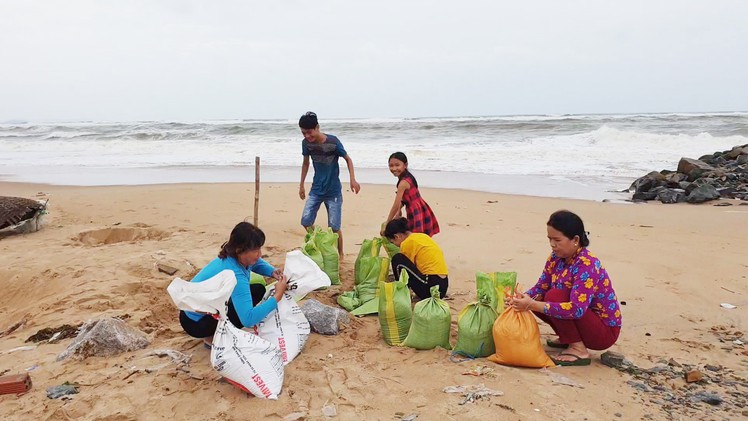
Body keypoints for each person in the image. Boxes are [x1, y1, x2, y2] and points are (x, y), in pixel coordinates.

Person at [506, 210, 622, 366]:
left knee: (553, 296)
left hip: (603, 331)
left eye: (557, 240)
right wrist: (520, 298)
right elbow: (541, 288)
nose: (552, 245)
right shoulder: (556, 258)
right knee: (537, 297)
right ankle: (568, 337)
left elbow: (577, 309)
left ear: (575, 240)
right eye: (549, 239)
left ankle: (578, 348)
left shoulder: (587, 264)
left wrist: (531, 305)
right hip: (583, 321)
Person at [179, 222, 288, 347]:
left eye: (259, 249)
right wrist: (278, 295)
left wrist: (272, 271)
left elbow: (256, 262)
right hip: (196, 323)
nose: (259, 254)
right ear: (239, 250)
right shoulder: (235, 275)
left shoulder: (232, 256)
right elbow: (248, 319)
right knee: (251, 301)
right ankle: (213, 336)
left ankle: (216, 329)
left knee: (257, 290)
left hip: (192, 312)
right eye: (255, 250)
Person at [298, 111, 360, 256]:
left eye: (309, 132)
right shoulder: (306, 144)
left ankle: (341, 254)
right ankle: (320, 242)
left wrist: (353, 179)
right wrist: (301, 185)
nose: (307, 136)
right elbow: (305, 163)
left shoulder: (333, 142)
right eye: (303, 133)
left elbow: (348, 159)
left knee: (334, 226)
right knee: (306, 221)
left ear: (317, 127)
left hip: (333, 192)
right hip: (316, 190)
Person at [383, 217, 448, 299]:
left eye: (393, 242)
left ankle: (401, 293)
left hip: (431, 286)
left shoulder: (407, 243)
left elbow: (405, 272)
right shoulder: (421, 236)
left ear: (397, 236)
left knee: (397, 259)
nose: (396, 245)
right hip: (443, 285)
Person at [383, 152, 440, 237]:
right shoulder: (408, 176)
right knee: (421, 236)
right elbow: (404, 199)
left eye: (397, 165)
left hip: (415, 211)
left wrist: (387, 223)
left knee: (416, 236)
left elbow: (396, 205)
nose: (394, 168)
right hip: (420, 207)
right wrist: (399, 211)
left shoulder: (403, 183)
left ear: (405, 165)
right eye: (391, 165)